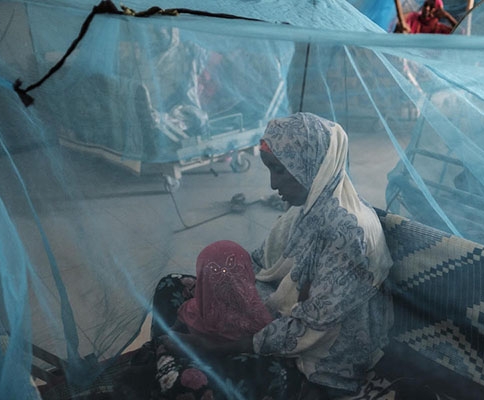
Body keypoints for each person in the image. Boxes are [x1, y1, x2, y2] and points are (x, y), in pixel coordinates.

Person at [139, 112, 394, 400]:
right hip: (275, 316)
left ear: (311, 164)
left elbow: (311, 326)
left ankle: (171, 361)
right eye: (270, 169)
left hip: (317, 360)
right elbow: (259, 264)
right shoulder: (303, 212)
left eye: (280, 170)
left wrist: (217, 346)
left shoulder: (349, 234)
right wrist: (219, 294)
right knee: (172, 285)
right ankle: (172, 355)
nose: (273, 185)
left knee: (187, 380)